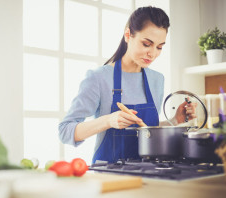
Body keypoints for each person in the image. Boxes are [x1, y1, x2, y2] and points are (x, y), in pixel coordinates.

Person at [58, 6, 196, 164]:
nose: (153, 53)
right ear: (128, 35)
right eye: (146, 44)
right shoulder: (99, 78)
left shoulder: (157, 80)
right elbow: (65, 131)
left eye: (159, 47)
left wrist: (175, 120)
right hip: (109, 177)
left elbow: (146, 131)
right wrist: (108, 121)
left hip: (150, 173)